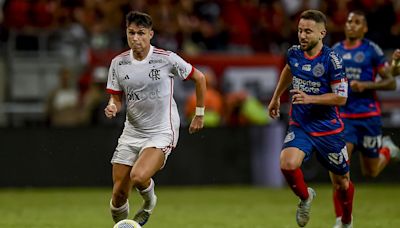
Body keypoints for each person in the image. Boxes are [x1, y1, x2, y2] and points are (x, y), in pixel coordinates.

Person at [104, 11, 206, 226]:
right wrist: (113, 106)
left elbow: (199, 78)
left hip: (161, 130)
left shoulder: (165, 58)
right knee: (118, 196)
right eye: (131, 33)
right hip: (132, 131)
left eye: (141, 33)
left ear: (150, 34)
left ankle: (149, 203)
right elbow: (116, 97)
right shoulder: (118, 63)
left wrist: (199, 113)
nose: (135, 38)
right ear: (126, 33)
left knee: (139, 176)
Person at [268, 10, 354, 227]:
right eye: (299, 30)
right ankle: (306, 198)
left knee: (342, 183)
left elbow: (341, 98)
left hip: (329, 129)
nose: (302, 35)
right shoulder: (294, 53)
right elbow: (289, 69)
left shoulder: (332, 60)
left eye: (308, 31)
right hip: (301, 125)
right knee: (287, 164)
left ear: (322, 33)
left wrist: (310, 98)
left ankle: (345, 220)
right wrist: (276, 97)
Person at [331, 10, 400, 228]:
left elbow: (391, 83)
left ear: (365, 28)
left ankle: (387, 150)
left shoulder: (371, 50)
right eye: (349, 21)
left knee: (371, 171)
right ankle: (342, 220)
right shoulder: (335, 51)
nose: (351, 25)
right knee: (339, 168)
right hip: (344, 119)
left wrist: (366, 85)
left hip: (369, 118)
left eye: (357, 22)